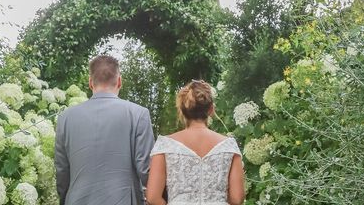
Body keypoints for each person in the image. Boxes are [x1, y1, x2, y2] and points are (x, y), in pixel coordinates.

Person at [55, 55, 155, 205]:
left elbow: (62, 172)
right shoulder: (138, 114)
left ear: (90, 83)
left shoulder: (65, 118)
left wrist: (64, 199)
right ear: (119, 81)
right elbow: (147, 170)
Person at [146, 80, 245, 205]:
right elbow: (237, 199)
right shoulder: (229, 146)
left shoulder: (165, 145)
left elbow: (153, 197)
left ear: (182, 110)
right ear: (211, 109)